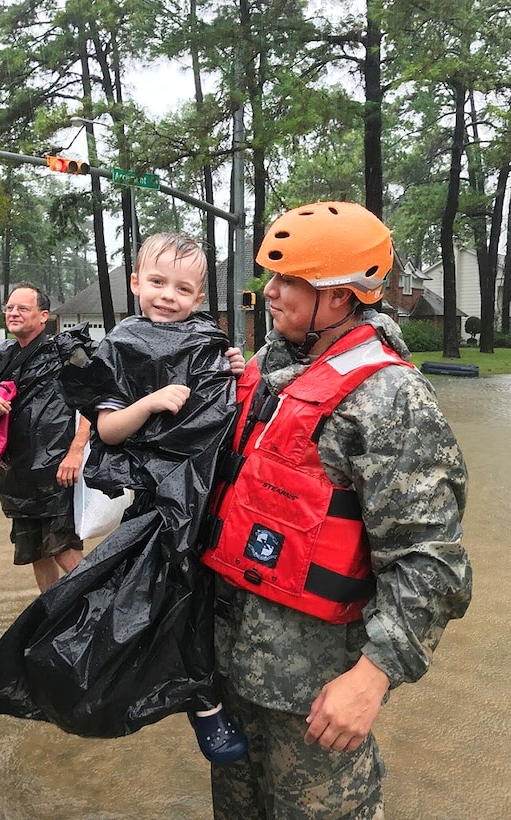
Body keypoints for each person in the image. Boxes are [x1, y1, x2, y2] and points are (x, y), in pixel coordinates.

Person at [200, 201, 472, 818]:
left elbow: (431, 562)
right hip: (234, 671)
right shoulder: (270, 368)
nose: (269, 292)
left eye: (288, 280)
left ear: (343, 296)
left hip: (317, 695)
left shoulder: (390, 398)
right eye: (271, 276)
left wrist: (371, 676)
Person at [59, 233, 248, 762]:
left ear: (199, 296)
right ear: (136, 283)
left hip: (205, 492)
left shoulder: (208, 340)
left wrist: (234, 370)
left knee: (208, 596)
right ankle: (196, 703)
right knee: (160, 597)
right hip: (154, 502)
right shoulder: (119, 344)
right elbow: (111, 431)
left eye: (183, 288)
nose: (169, 295)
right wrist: (150, 402)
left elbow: (227, 414)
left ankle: (203, 693)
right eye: (158, 283)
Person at [0, 283, 94, 593]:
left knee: (62, 548)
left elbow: (95, 398)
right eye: (10, 308)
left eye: (22, 308)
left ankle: (94, 609)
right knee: (35, 552)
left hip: (54, 470)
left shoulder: (64, 353)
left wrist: (76, 451)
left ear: (43, 316)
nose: (13, 313)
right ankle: (50, 615)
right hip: (15, 474)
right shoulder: (3, 355)